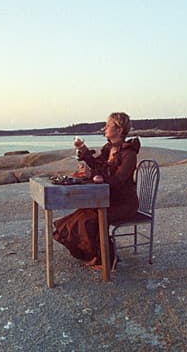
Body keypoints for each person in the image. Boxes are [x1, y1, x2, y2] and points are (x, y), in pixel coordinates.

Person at [53, 112, 140, 269]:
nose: (104, 128)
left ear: (119, 130)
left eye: (108, 125)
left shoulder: (129, 153)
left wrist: (98, 177)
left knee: (93, 218)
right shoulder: (109, 149)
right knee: (80, 215)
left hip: (124, 203)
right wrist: (84, 152)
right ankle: (96, 254)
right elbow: (98, 166)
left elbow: (119, 180)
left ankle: (107, 258)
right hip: (108, 198)